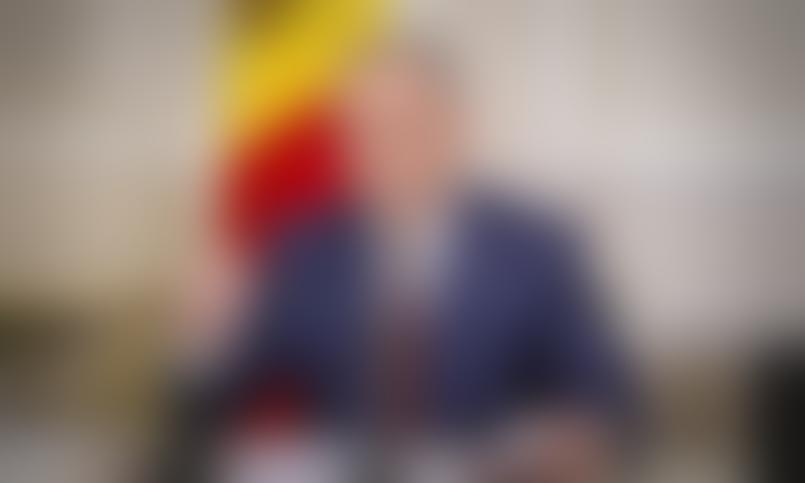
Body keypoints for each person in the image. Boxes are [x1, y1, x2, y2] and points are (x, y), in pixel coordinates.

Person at [195, 41, 638, 483]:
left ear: (452, 127)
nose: (384, 146)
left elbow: (607, 396)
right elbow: (227, 398)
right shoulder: (308, 253)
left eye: (405, 124)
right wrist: (215, 341)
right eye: (367, 129)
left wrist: (571, 438)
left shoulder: (536, 249)